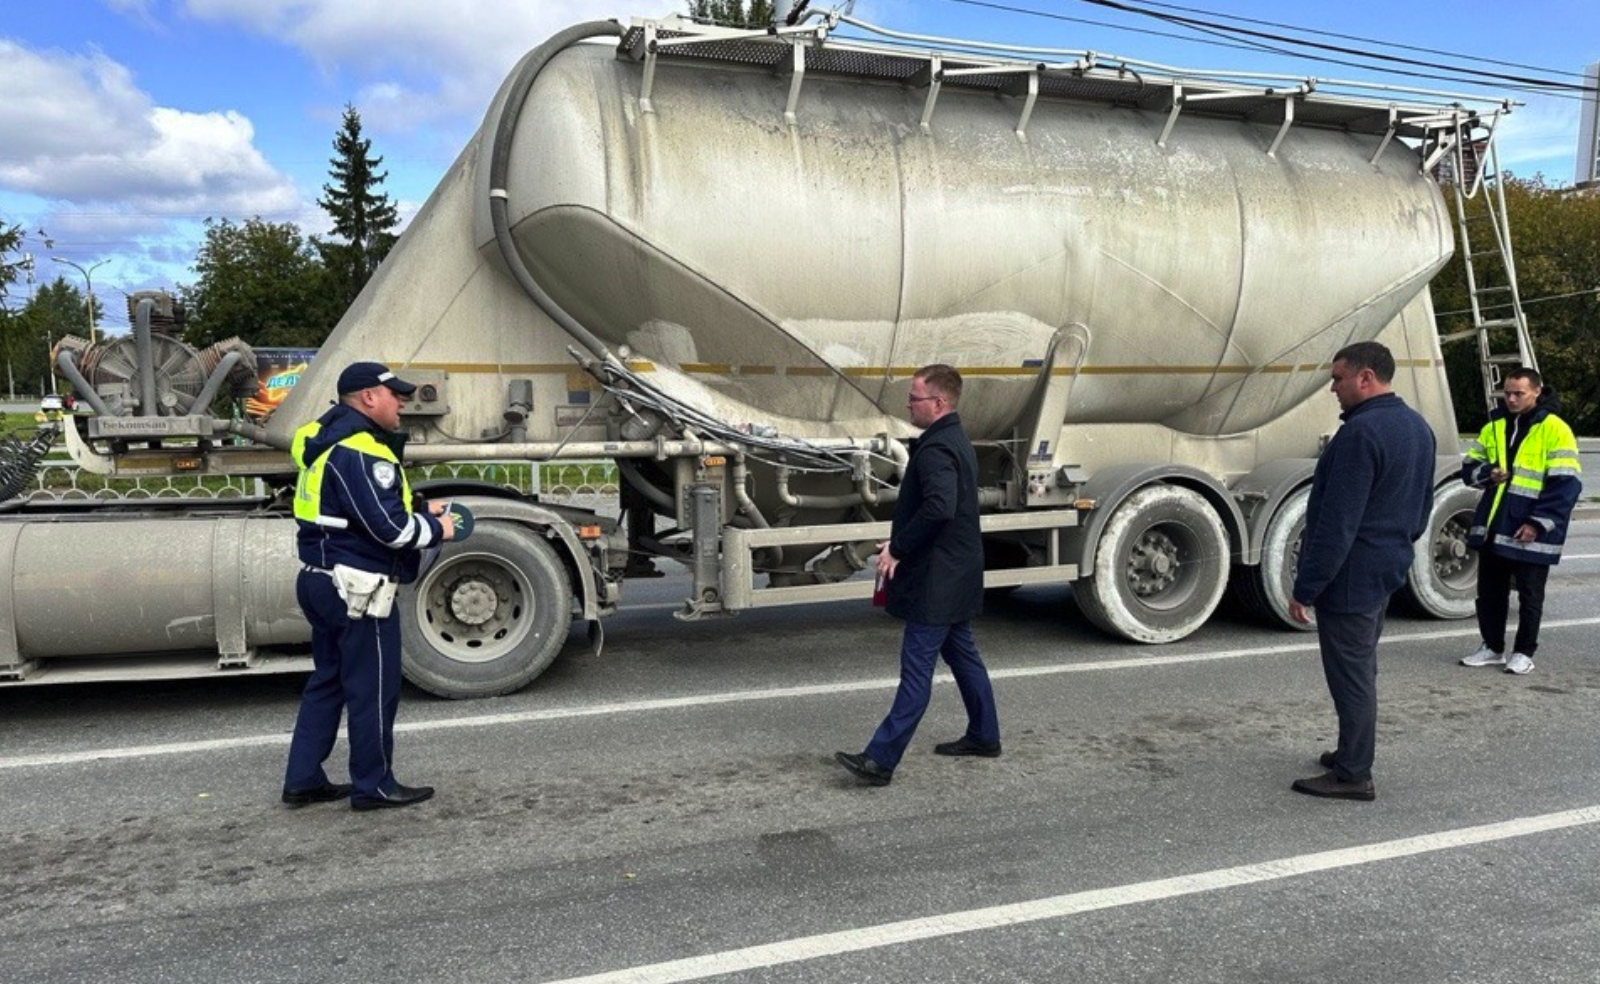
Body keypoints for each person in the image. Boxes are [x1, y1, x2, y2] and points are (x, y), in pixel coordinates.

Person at [282, 361, 454, 811]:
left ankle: (302, 779)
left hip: (320, 578)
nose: (402, 403)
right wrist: (441, 530)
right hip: (358, 587)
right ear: (367, 398)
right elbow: (391, 531)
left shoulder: (322, 441)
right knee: (373, 689)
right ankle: (374, 785)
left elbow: (349, 506)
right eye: (394, 394)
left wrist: (419, 505)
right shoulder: (363, 451)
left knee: (329, 682)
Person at [835, 364, 1000, 786]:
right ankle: (984, 735)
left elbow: (939, 508)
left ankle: (880, 760)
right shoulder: (954, 439)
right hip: (955, 572)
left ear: (939, 402)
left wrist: (898, 547)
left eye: (914, 398)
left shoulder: (937, 449)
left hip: (937, 580)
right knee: (964, 657)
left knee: (916, 670)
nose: (908, 404)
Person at [1288, 341, 1436, 802]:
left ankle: (1354, 773)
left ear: (1365, 377)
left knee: (1350, 675)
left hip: (1351, 576)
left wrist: (1305, 588)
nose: (1333, 388)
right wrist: (1394, 547)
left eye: (1338, 378)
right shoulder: (1417, 427)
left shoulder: (1359, 435)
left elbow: (1336, 524)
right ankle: (1351, 750)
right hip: (1384, 567)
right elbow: (1421, 509)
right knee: (1361, 668)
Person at [1458, 368, 1583, 675]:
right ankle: (1492, 648)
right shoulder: (1495, 426)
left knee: (1529, 594)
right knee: (1489, 592)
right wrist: (1488, 474)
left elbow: (1566, 484)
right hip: (1495, 524)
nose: (1511, 399)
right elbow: (1469, 468)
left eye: (1519, 394)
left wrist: (1538, 523)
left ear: (1536, 392)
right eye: (1508, 393)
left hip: (1531, 527)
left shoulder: (1556, 429)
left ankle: (1524, 652)